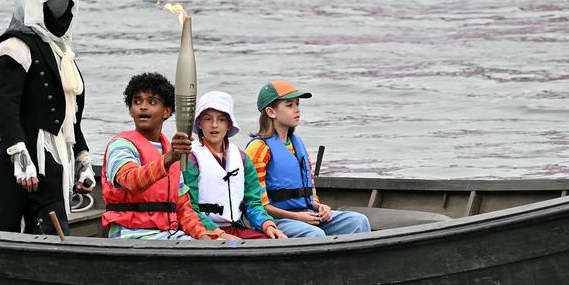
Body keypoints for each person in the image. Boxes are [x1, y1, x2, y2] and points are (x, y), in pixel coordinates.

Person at [0, 0, 94, 235]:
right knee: (17, 226)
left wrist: (82, 158)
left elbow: (69, 115)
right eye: (53, 3)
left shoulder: (61, 51)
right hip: (28, 152)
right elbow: (5, 106)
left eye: (64, 3)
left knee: (53, 224)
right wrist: (19, 156)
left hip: (58, 155)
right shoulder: (14, 47)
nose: (60, 10)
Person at [100, 72, 236, 240]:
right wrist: (169, 159)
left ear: (166, 111)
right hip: (130, 234)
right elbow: (130, 180)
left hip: (168, 234)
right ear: (130, 111)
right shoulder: (121, 145)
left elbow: (183, 208)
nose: (143, 107)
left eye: (152, 102)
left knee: (216, 244)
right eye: (137, 101)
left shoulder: (170, 151)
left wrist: (205, 237)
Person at [245, 81, 371, 238]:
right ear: (271, 112)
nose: (297, 109)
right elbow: (258, 204)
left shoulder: (298, 144)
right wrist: (297, 217)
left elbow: (311, 194)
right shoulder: (259, 148)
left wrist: (320, 207)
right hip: (276, 220)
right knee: (315, 234)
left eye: (297, 104)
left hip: (306, 213)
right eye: (289, 105)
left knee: (358, 221)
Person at [184, 91, 287, 240]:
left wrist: (267, 225)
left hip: (236, 228)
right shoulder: (190, 158)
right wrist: (219, 234)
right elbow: (190, 208)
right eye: (207, 119)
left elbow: (253, 203)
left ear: (229, 124)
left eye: (221, 119)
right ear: (199, 123)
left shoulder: (242, 158)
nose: (214, 125)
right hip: (205, 231)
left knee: (271, 240)